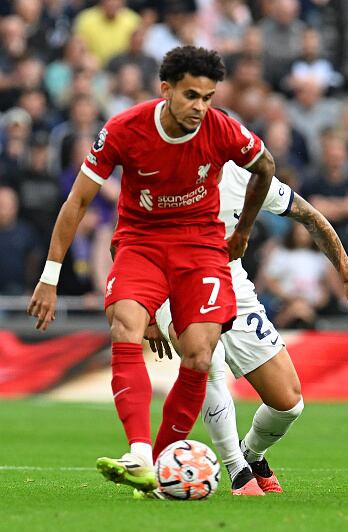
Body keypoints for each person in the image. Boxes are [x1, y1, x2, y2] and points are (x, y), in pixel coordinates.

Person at [26, 46, 275, 493]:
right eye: (191, 95)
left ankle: (160, 470)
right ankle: (139, 452)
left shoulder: (222, 129)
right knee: (125, 326)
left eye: (208, 97)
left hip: (200, 248)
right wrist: (50, 276)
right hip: (141, 243)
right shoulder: (124, 129)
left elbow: (266, 167)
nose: (200, 107)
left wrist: (244, 232)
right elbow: (78, 201)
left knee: (200, 355)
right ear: (166, 90)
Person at [147, 161, 348, 496]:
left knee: (289, 403)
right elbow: (130, 240)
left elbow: (311, 217)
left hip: (230, 280)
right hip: (174, 281)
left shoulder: (247, 178)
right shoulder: (165, 174)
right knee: (207, 357)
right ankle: (237, 471)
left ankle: (250, 454)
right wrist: (150, 311)